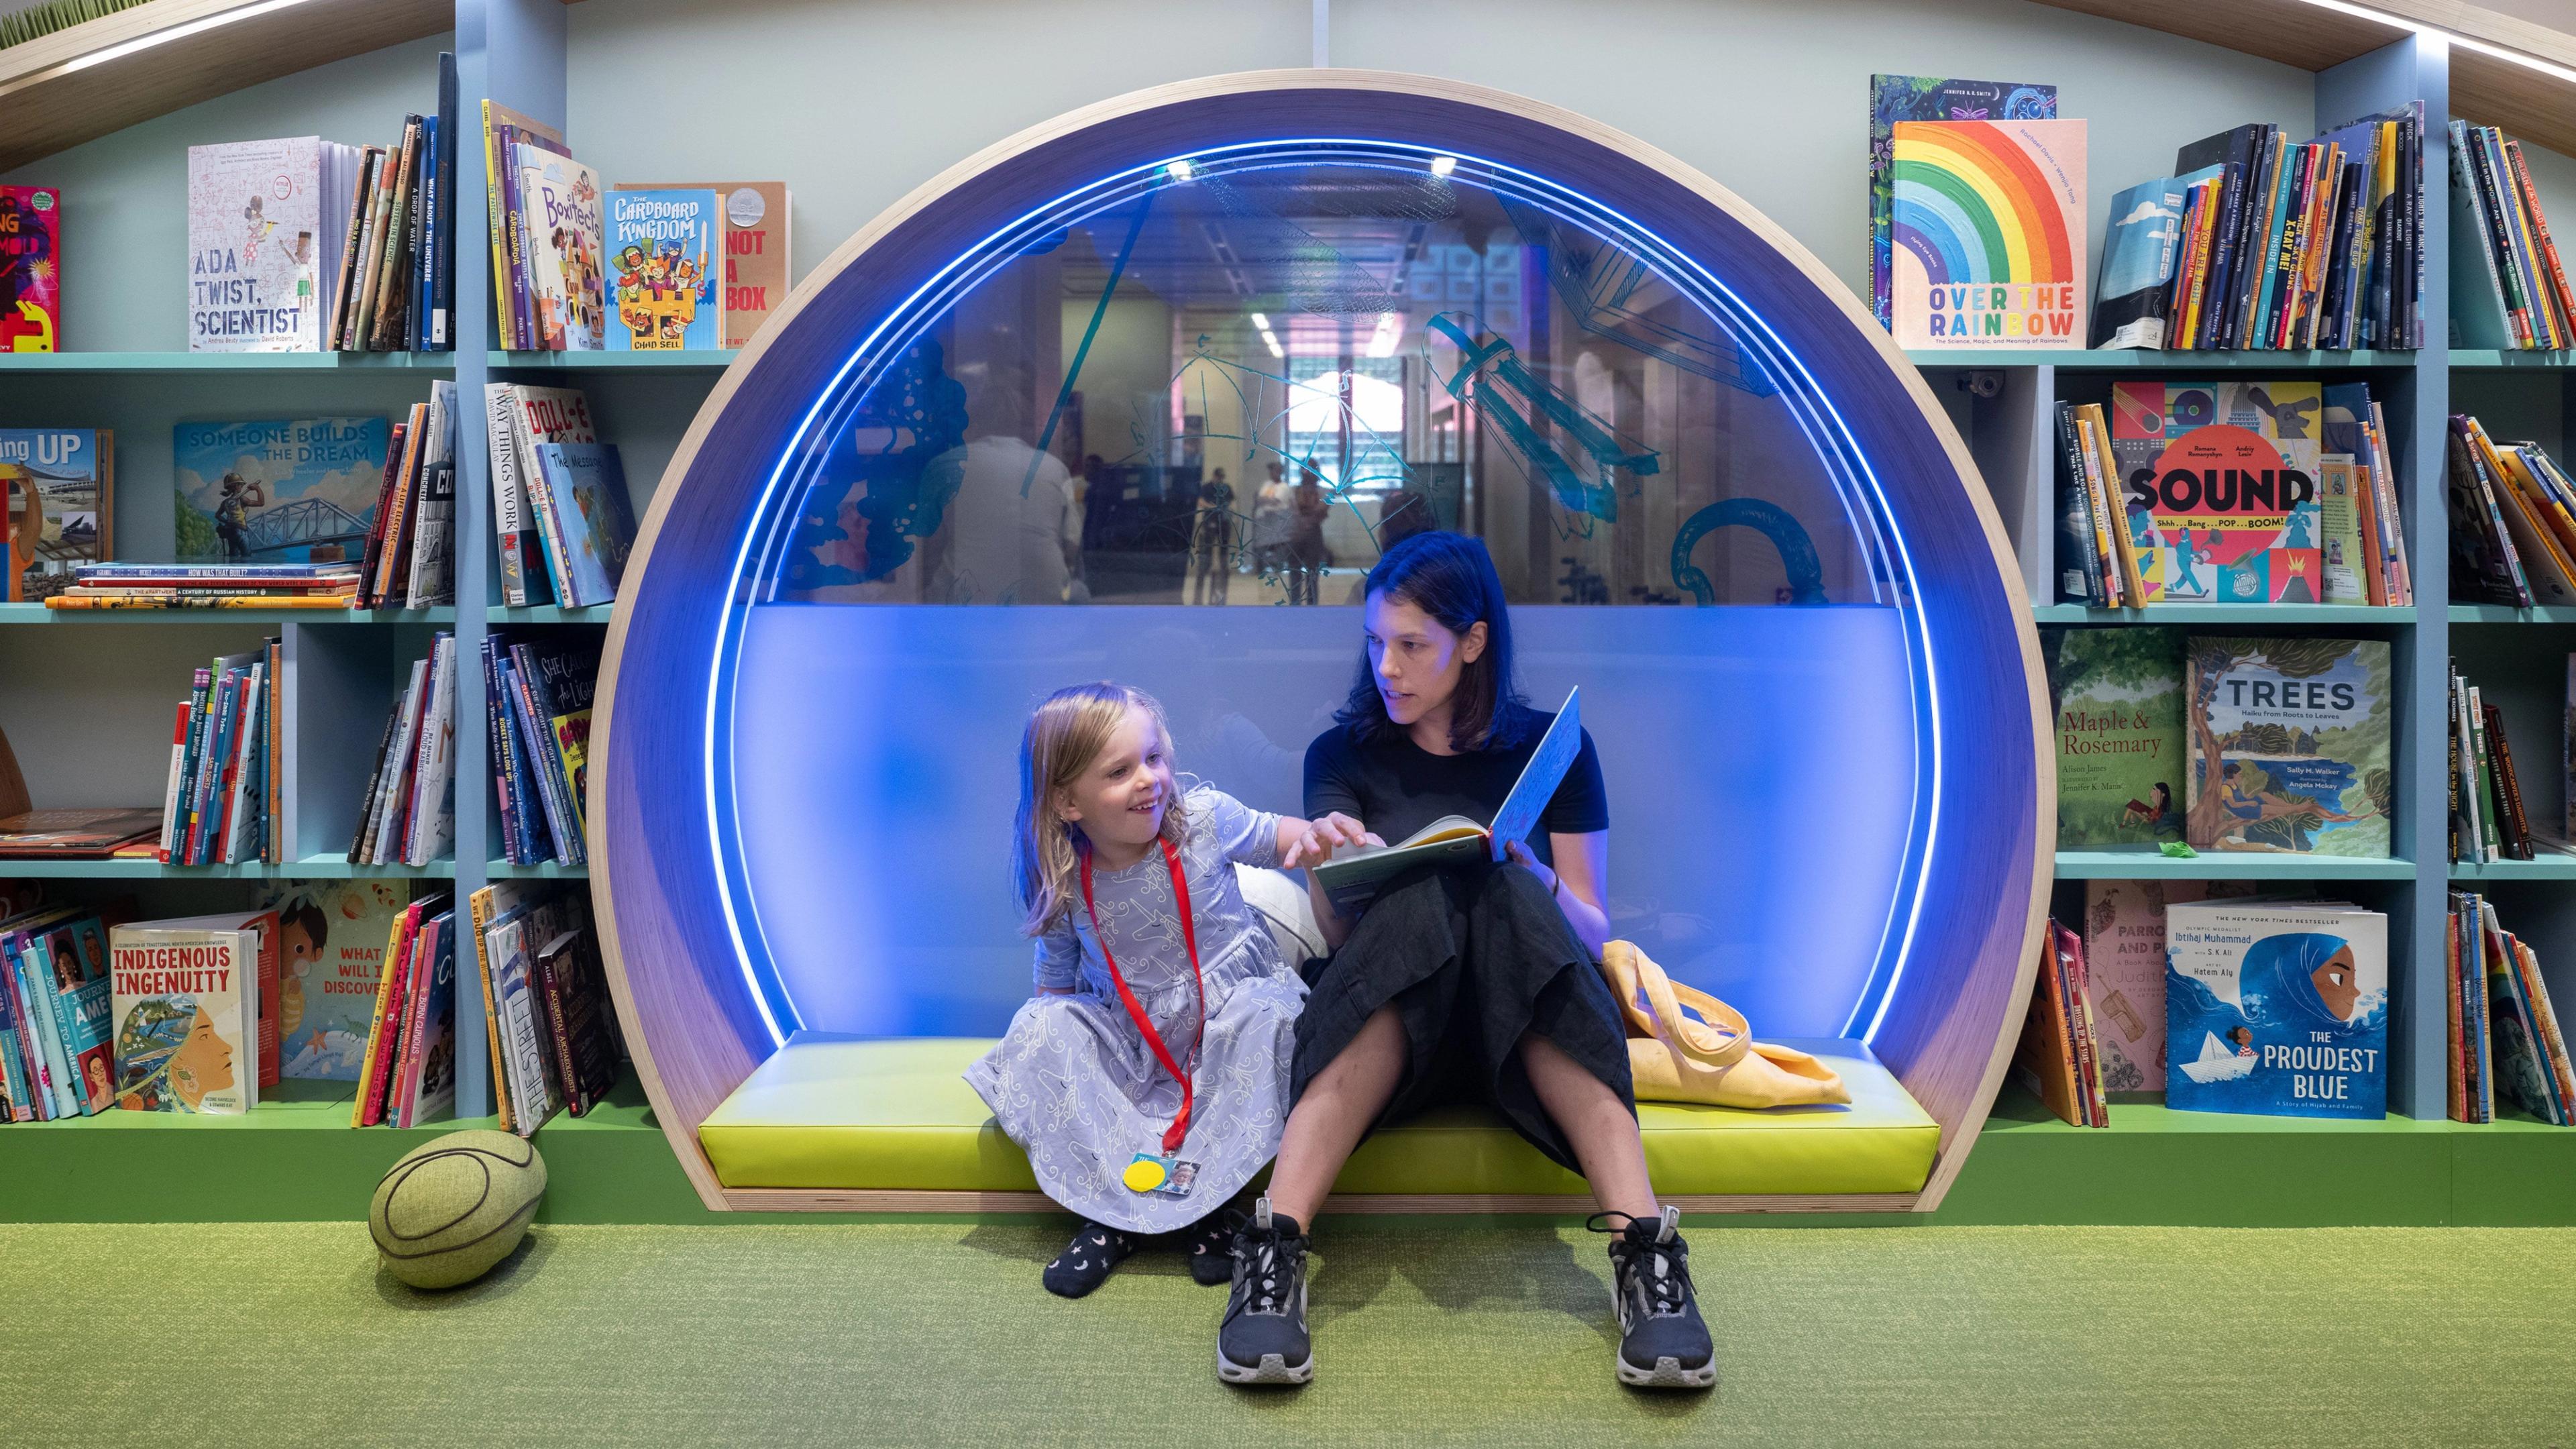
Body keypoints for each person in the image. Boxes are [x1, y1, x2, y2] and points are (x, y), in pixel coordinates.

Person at [1215, 531, 1713, 1391]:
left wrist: (1539, 883)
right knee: (1419, 898)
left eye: (1413, 645)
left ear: (1472, 642)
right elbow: (1340, 944)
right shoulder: (1341, 755)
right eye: (1376, 642)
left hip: (1519, 1029)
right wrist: (1341, 864)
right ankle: (1276, 1246)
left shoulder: (1551, 748)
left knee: (1514, 896)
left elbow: (1596, 928)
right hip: (1394, 1035)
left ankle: (1647, 1255)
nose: (1388, 668)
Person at [967, 682, 1373, 1298]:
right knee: (1043, 1029)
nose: (1150, 779)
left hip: (1226, 1024)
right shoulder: (1065, 880)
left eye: (1153, 757)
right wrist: (1051, 1052)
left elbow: (1281, 837)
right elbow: (1054, 989)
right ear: (1067, 802)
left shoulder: (1204, 820)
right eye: (1120, 770)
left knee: (1265, 1016)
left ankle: (1209, 1209)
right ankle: (1110, 1213)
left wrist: (1318, 839)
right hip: (1136, 1048)